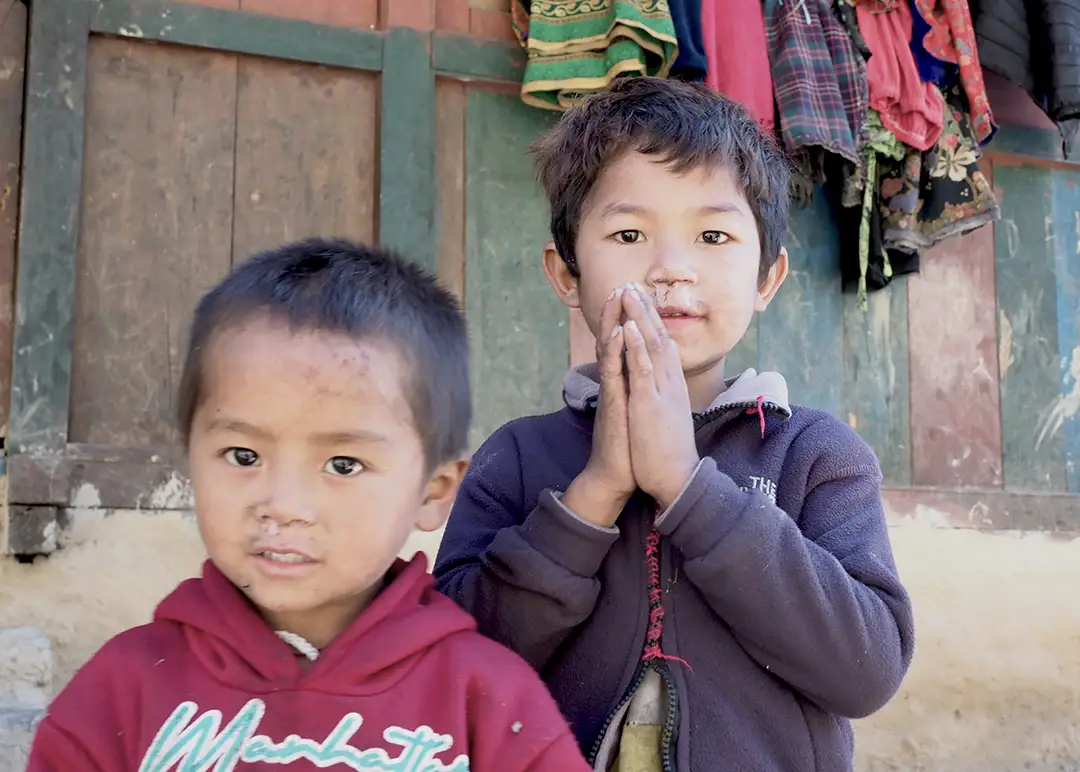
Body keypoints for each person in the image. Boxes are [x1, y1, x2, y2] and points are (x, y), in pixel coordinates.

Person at [433, 77, 915, 772]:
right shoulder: (515, 459)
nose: (671, 269)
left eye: (713, 234)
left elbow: (867, 671)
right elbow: (458, 665)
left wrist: (692, 492)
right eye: (629, 233)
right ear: (566, 274)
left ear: (767, 278)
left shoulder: (815, 456)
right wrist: (592, 496)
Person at [26, 238, 591, 772]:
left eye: (342, 465)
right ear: (189, 455)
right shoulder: (122, 695)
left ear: (433, 490)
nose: (284, 504)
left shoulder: (488, 705)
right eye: (243, 455)